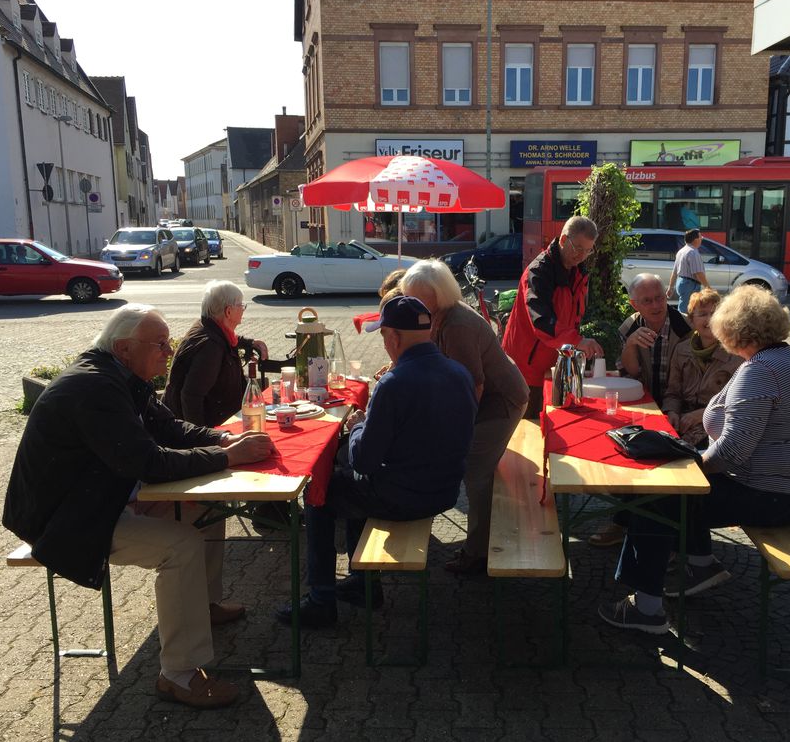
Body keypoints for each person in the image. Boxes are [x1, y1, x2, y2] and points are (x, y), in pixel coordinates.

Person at [2, 304, 275, 708]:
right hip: (67, 521)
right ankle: (179, 675)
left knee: (207, 507)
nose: (169, 351)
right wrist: (229, 457)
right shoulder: (95, 388)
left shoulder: (117, 374)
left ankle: (204, 603)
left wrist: (220, 441)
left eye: (168, 343)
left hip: (98, 498)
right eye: (160, 344)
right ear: (125, 347)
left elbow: (166, 426)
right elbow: (148, 461)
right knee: (180, 544)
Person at [598, 286, 790, 635]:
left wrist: (689, 464)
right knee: (681, 487)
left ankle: (647, 608)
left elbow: (731, 453)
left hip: (772, 496)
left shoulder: (759, 370)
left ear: (734, 329)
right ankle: (700, 564)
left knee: (656, 498)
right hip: (789, 491)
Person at [277, 296, 478, 627]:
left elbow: (365, 462)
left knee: (320, 492)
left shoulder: (394, 383)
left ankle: (321, 599)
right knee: (349, 484)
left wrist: (357, 428)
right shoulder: (459, 373)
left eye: (383, 336)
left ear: (394, 338)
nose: (384, 344)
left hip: (405, 497)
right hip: (444, 490)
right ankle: (362, 583)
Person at [401, 260, 529, 575]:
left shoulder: (456, 325)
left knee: (475, 471)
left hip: (502, 401)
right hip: (490, 395)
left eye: (420, 298)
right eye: (410, 296)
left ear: (440, 295)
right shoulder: (437, 315)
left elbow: (474, 385)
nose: (414, 303)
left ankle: (479, 554)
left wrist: (456, 429)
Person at [589, 272, 692, 548]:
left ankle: (630, 522)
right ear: (635, 304)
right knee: (624, 451)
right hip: (644, 405)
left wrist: (675, 410)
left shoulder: (686, 328)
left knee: (655, 460)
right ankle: (630, 518)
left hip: (678, 406)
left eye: (660, 297)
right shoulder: (630, 326)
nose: (657, 305)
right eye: (647, 301)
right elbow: (630, 372)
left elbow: (689, 381)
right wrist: (633, 343)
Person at [501, 215, 604, 420]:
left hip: (555, 366)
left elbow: (573, 318)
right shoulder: (539, 271)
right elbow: (541, 321)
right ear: (564, 240)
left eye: (588, 250)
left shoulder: (578, 272)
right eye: (578, 248)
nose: (582, 255)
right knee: (528, 434)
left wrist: (576, 350)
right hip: (527, 370)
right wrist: (578, 341)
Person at [164, 280, 268, 427]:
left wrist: (247, 342)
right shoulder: (210, 347)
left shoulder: (207, 326)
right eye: (241, 305)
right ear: (228, 311)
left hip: (222, 423)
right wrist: (202, 440)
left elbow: (226, 337)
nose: (243, 309)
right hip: (210, 430)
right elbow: (191, 396)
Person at [661, 288, 743, 448]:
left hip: (717, 428)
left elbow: (739, 405)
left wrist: (702, 415)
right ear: (692, 320)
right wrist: (672, 412)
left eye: (714, 313)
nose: (710, 319)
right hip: (683, 423)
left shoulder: (736, 354)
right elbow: (673, 392)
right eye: (703, 314)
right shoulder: (681, 350)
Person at [666, 229, 710, 314]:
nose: (702, 239)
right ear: (696, 239)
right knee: (686, 311)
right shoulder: (693, 252)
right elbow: (698, 273)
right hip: (690, 284)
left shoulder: (681, 251)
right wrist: (708, 287)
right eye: (701, 237)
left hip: (682, 282)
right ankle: (682, 326)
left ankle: (685, 325)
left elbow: (674, 272)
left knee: (687, 308)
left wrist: (670, 287)